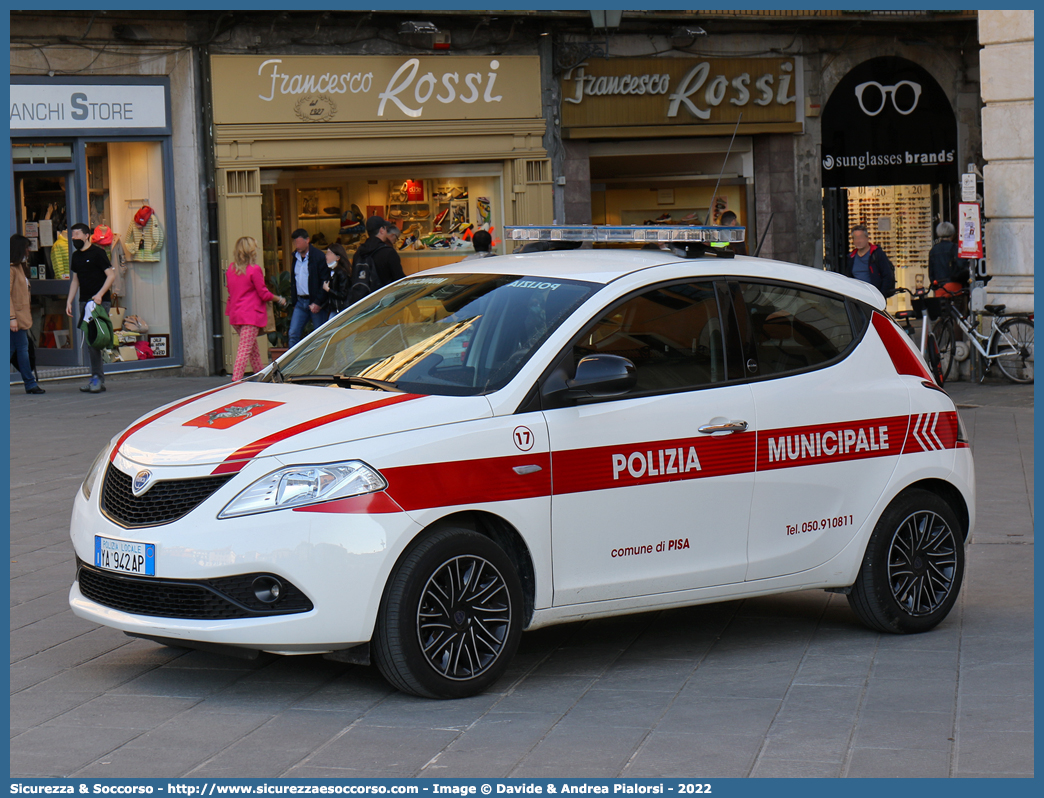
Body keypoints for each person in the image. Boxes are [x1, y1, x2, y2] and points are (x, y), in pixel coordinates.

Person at [225, 236, 286, 381]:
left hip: (235, 314)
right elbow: (263, 294)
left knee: (253, 351)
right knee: (245, 351)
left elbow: (231, 291)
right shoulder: (254, 270)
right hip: (250, 315)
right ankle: (235, 382)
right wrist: (279, 299)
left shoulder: (231, 269)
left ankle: (262, 379)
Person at [65, 222, 114, 393]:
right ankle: (96, 377)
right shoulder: (76, 256)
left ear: (87, 236)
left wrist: (100, 294)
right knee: (90, 340)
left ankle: (97, 378)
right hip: (84, 302)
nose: (74, 238)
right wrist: (69, 300)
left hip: (99, 303)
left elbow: (111, 275)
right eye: (72, 235)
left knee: (94, 340)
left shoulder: (98, 253)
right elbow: (76, 280)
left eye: (77, 234)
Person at [10, 235, 44, 394]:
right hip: (15, 318)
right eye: (26, 248)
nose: (28, 251)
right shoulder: (10, 268)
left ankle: (30, 383)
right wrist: (11, 318)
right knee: (22, 350)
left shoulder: (18, 267)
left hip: (19, 317)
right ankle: (30, 384)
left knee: (17, 349)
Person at [288, 228, 329, 348]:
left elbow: (324, 280)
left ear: (307, 240)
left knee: (320, 335)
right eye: (296, 243)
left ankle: (321, 361)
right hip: (300, 302)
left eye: (299, 242)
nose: (297, 246)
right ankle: (293, 365)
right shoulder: (295, 257)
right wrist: (294, 300)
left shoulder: (318, 256)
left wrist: (318, 302)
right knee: (293, 333)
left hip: (315, 301)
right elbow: (294, 280)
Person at [843, 224, 895, 297]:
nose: (858, 241)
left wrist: (881, 296)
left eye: (861, 237)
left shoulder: (877, 254)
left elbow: (887, 276)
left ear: (867, 238)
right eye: (855, 238)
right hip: (857, 297)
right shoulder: (851, 257)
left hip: (874, 297)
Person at [352, 216, 405, 288]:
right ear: (381, 230)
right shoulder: (389, 252)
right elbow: (399, 280)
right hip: (384, 296)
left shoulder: (359, 252)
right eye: (385, 228)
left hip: (365, 297)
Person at [928, 221, 971, 298]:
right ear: (952, 233)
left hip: (939, 287)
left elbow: (931, 273)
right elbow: (962, 266)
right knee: (957, 308)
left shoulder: (933, 250)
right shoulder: (955, 248)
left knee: (942, 308)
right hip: (955, 286)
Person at [322, 242, 353, 314]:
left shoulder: (341, 273)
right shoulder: (329, 271)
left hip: (341, 310)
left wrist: (328, 290)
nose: (326, 256)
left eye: (329, 253)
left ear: (338, 257)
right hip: (334, 309)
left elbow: (343, 294)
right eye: (327, 253)